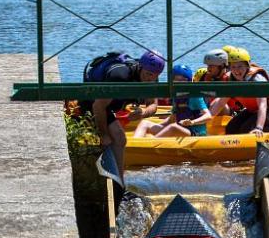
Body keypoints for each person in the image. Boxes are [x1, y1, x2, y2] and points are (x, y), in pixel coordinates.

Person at [83, 48, 165, 178]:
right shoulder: (120, 76)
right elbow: (98, 106)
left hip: (110, 105)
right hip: (90, 102)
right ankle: (118, 182)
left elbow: (153, 105)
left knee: (118, 137)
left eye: (156, 75)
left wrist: (144, 112)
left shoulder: (152, 78)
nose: (151, 79)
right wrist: (104, 134)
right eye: (148, 74)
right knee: (119, 137)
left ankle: (118, 180)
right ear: (140, 67)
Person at [208, 47, 269, 136]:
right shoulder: (230, 79)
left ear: (247, 66)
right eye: (233, 67)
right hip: (253, 110)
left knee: (246, 128)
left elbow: (263, 105)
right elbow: (220, 103)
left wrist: (258, 127)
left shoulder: (256, 79)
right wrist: (206, 120)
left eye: (240, 66)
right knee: (231, 128)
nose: (236, 70)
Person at [134, 63, 211, 138]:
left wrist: (192, 122)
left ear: (188, 81)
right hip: (180, 130)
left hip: (195, 133)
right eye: (177, 80)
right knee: (145, 123)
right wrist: (157, 126)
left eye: (183, 80)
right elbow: (171, 119)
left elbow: (208, 116)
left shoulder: (194, 97)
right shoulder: (176, 96)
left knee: (173, 127)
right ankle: (135, 145)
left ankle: (149, 145)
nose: (179, 83)